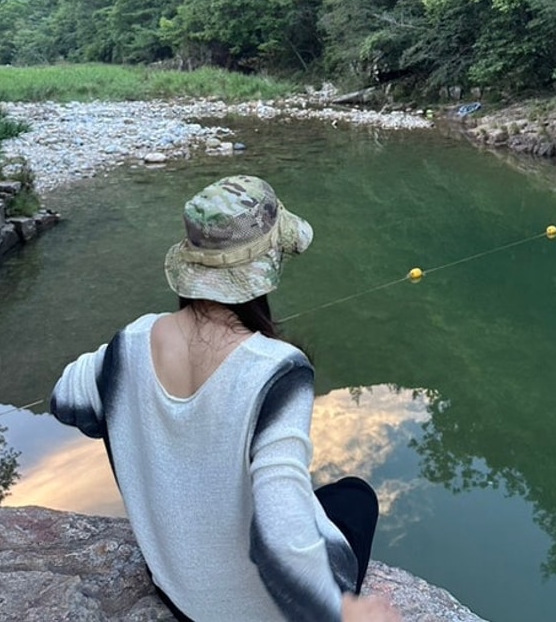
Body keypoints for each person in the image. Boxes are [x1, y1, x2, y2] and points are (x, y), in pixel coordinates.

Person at [51, 175, 402, 622]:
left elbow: (65, 398)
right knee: (356, 497)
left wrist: (137, 411)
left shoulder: (130, 342)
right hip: (263, 611)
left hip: (177, 594)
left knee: (325, 496)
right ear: (265, 268)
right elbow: (282, 532)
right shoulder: (277, 369)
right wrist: (343, 611)